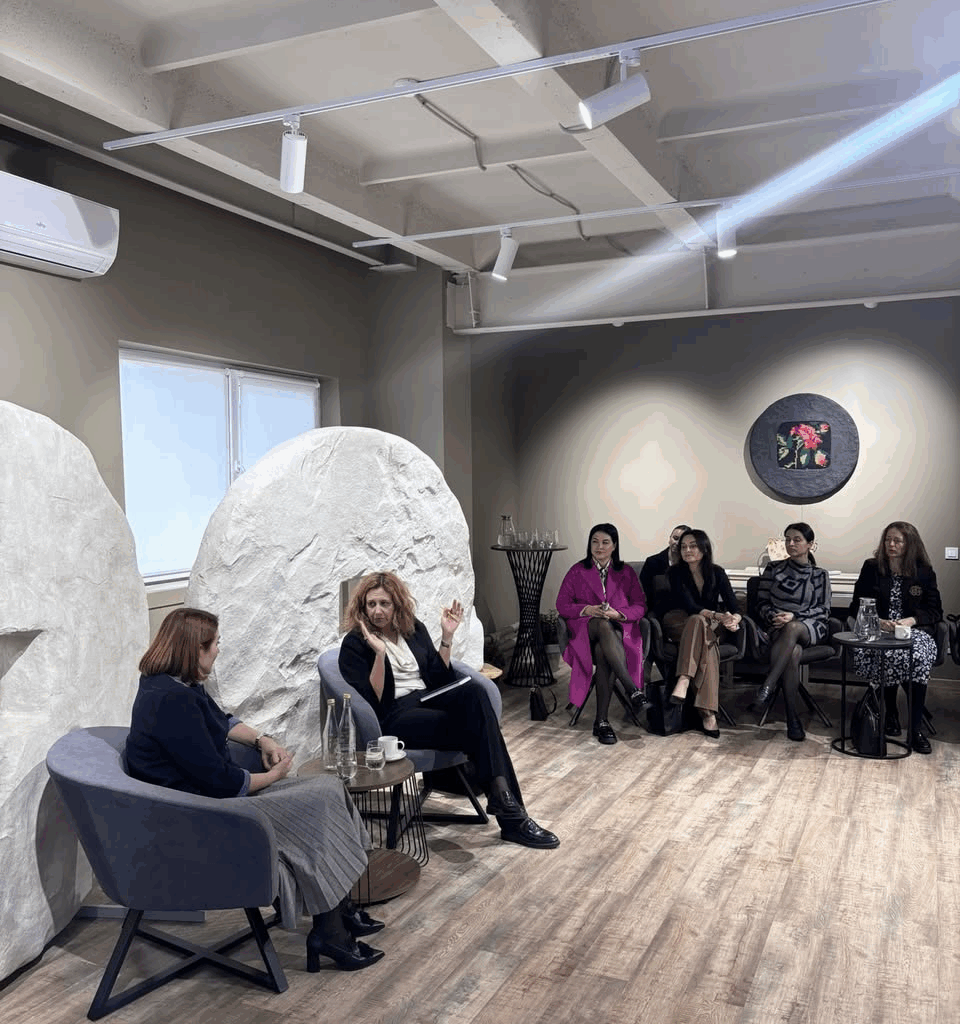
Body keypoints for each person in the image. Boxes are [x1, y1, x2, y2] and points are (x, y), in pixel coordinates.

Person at [126, 608, 385, 973]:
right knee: (319, 801)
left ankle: (340, 912)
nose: (218, 650)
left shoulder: (173, 684)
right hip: (205, 813)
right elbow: (222, 781)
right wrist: (276, 775)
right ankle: (332, 931)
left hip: (212, 799)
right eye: (215, 644)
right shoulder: (171, 701)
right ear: (195, 648)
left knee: (328, 789)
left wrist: (263, 739)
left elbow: (222, 720)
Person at [338, 572, 559, 850]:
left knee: (476, 693)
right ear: (362, 607)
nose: (378, 611)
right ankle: (510, 812)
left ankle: (506, 806)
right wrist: (380, 654)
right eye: (371, 604)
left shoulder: (412, 628)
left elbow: (438, 678)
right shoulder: (355, 643)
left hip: (428, 699)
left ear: (397, 604)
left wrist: (447, 636)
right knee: (482, 725)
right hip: (395, 715)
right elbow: (376, 701)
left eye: (385, 603)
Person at [850, 521, 943, 754]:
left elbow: (935, 611)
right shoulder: (872, 567)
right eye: (887, 539)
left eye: (897, 541)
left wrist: (912, 620)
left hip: (913, 632)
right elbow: (856, 606)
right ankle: (890, 713)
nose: (891, 544)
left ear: (910, 544)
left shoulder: (923, 571)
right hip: (879, 631)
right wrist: (878, 621)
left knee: (917, 656)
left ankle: (915, 729)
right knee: (886, 652)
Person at [556, 523, 649, 745]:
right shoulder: (577, 570)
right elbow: (562, 604)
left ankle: (602, 722)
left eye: (605, 542)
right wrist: (587, 609)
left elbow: (640, 605)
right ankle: (632, 689)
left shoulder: (626, 572)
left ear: (614, 546)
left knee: (603, 651)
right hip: (585, 632)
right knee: (602, 625)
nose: (599, 547)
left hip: (618, 633)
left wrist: (619, 614)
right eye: (595, 542)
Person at [750, 522, 831, 742]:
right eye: (787, 539)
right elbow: (761, 603)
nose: (791, 544)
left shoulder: (819, 575)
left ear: (810, 544)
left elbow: (823, 610)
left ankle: (768, 684)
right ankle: (792, 717)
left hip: (810, 626)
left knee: (793, 627)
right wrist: (774, 616)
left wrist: (794, 616)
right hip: (777, 626)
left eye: (797, 540)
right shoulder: (773, 569)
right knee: (793, 652)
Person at [665, 529, 742, 738]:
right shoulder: (675, 572)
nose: (687, 550)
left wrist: (734, 619)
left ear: (704, 548)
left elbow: (734, 606)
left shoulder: (717, 572)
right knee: (698, 623)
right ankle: (708, 713)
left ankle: (684, 679)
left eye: (693, 546)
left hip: (707, 625)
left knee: (703, 632)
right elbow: (690, 607)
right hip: (679, 621)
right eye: (683, 546)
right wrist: (717, 616)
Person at [639, 524, 692, 618]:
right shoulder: (652, 562)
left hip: (685, 610)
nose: (677, 543)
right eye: (675, 538)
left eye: (682, 541)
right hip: (658, 611)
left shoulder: (691, 564)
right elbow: (643, 592)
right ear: (670, 539)